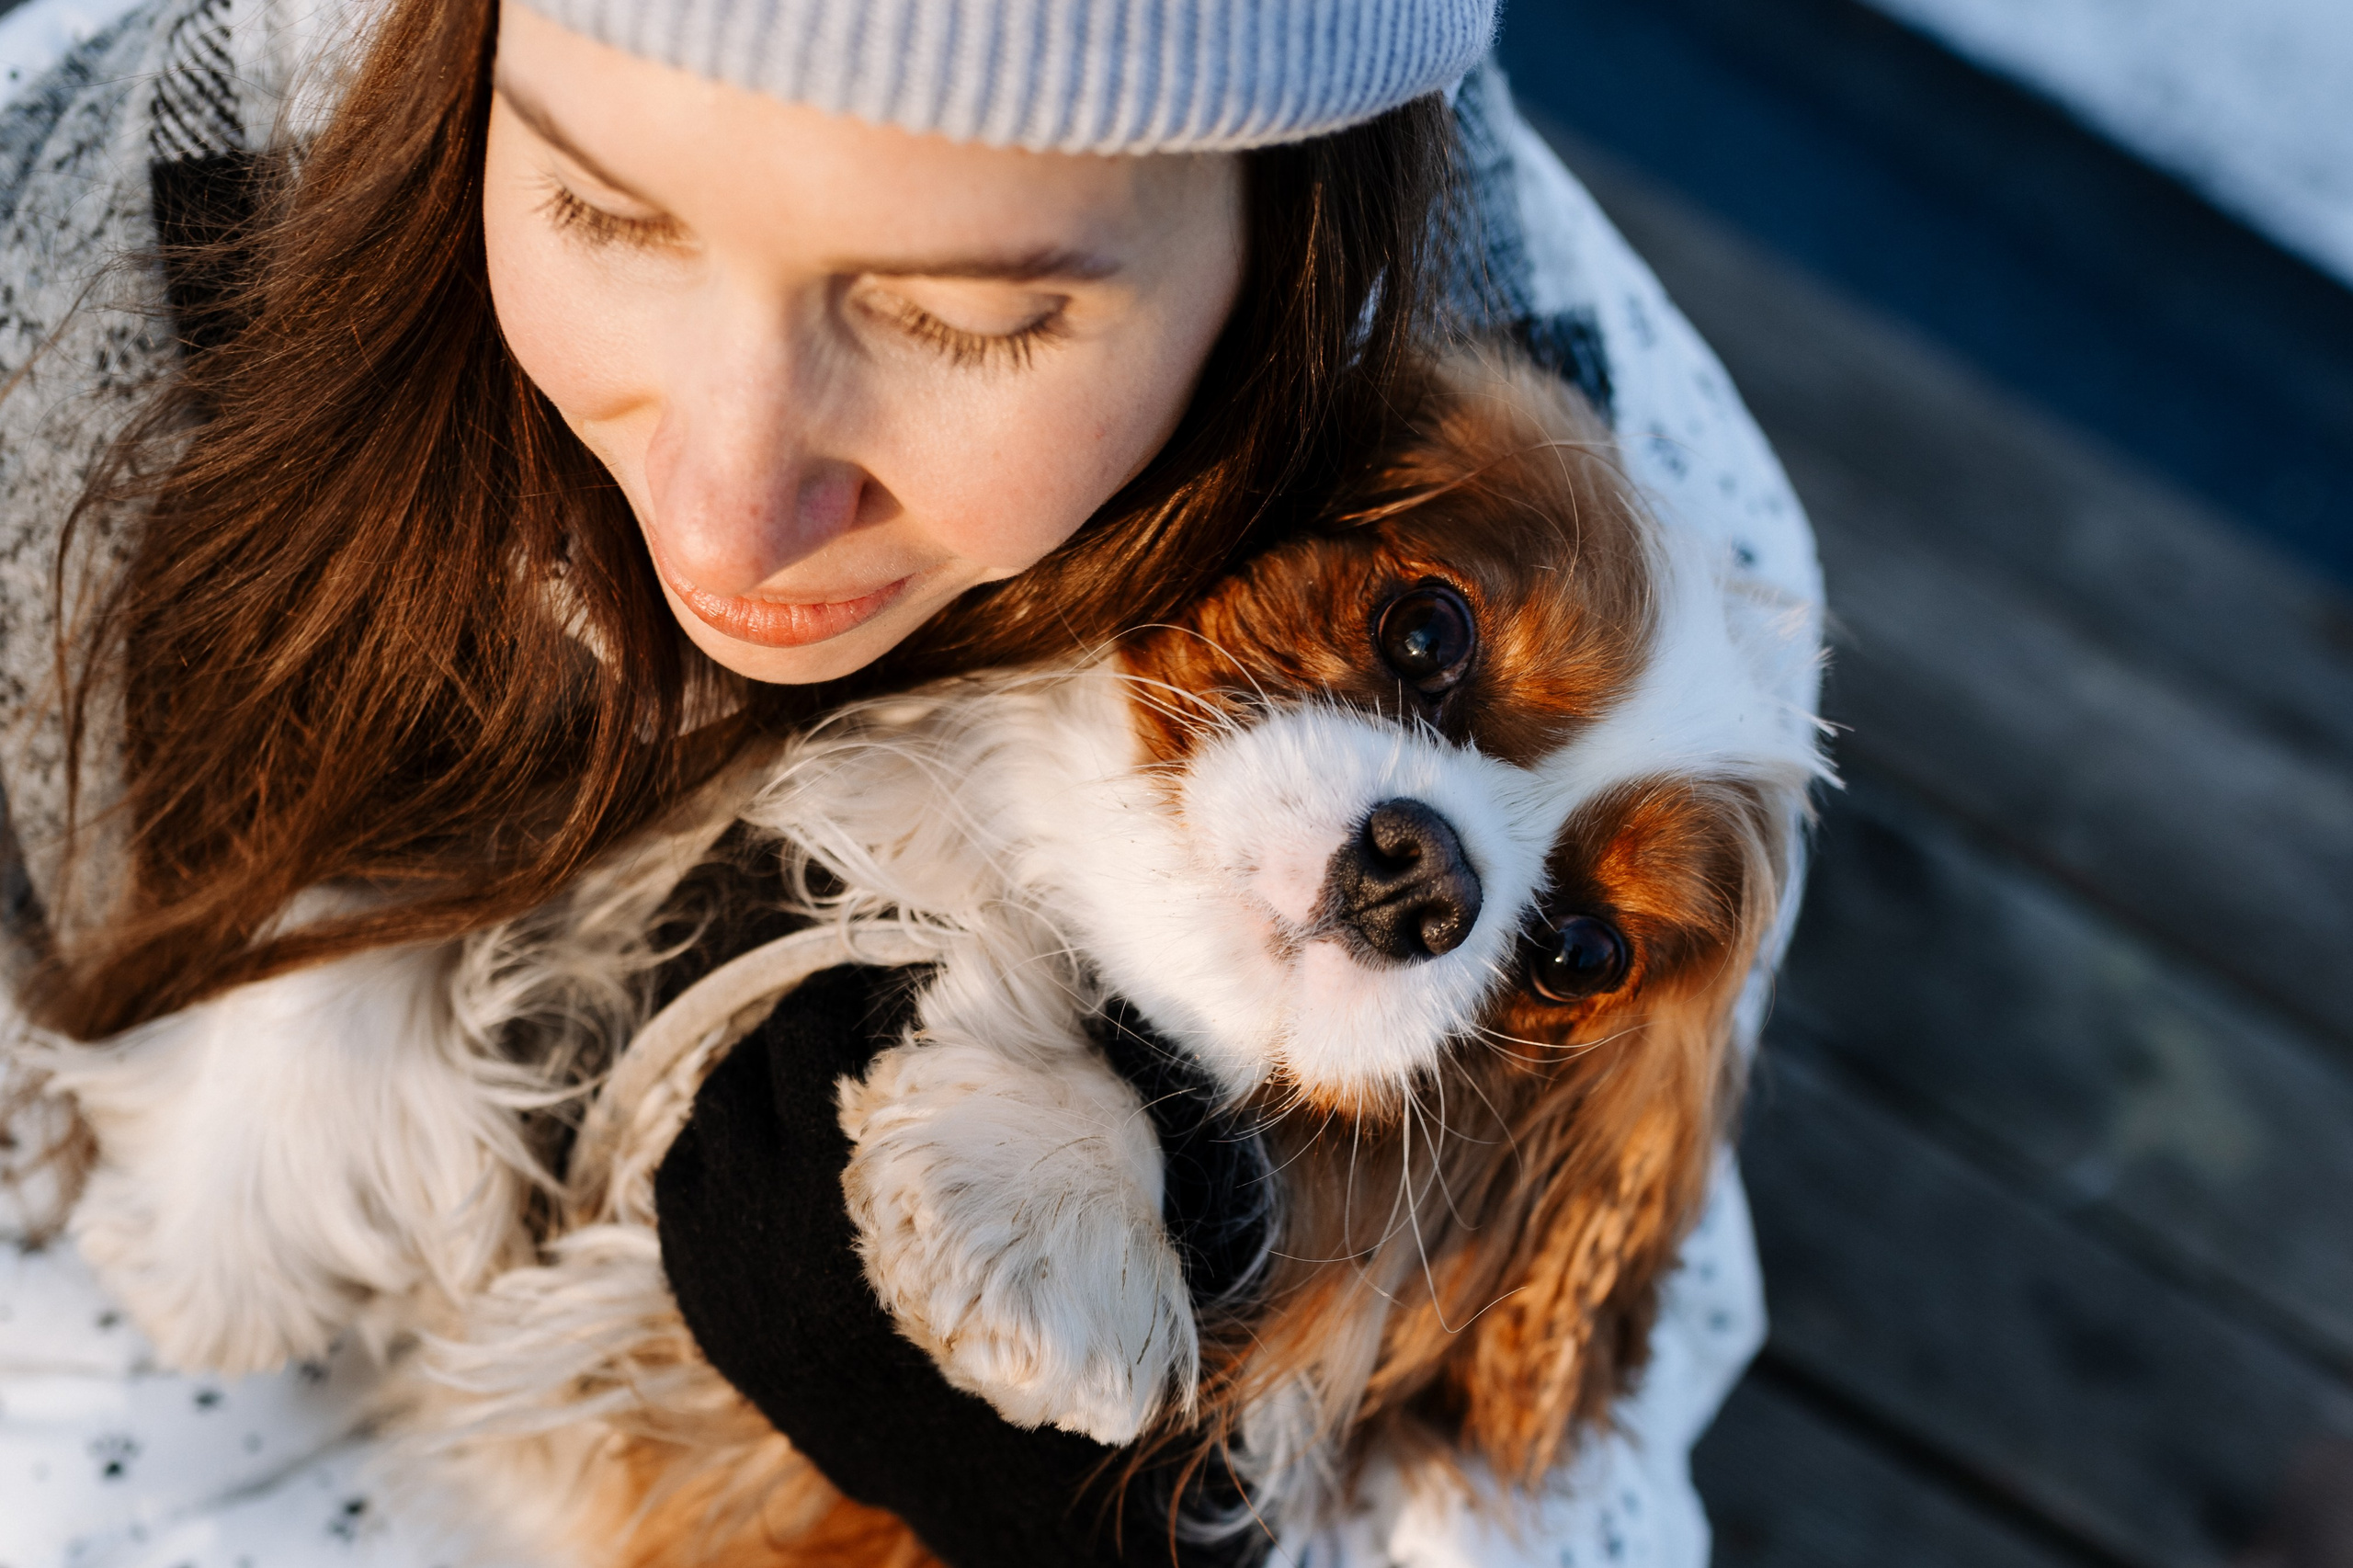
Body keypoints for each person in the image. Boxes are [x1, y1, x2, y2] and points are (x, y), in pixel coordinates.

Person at [0, 0, 1823, 1563]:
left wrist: (1177, 1466)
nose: (734, 513)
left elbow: (1579, 1434)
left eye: (974, 315)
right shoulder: (100, 293)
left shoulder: (1651, 506)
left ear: (1291, 265)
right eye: (603, 208)